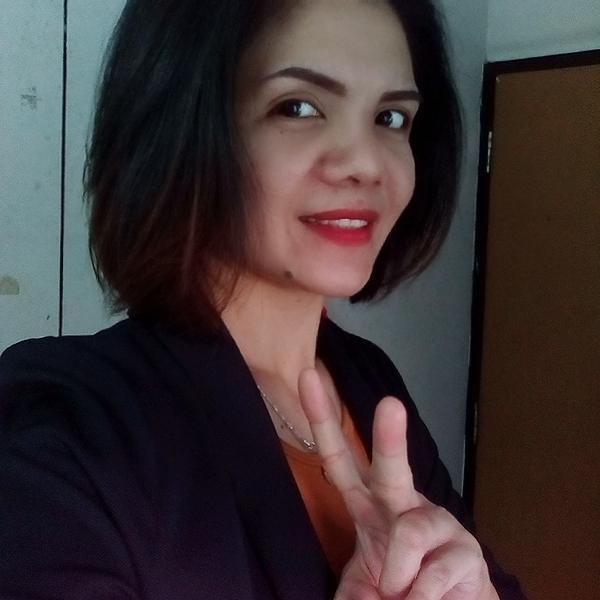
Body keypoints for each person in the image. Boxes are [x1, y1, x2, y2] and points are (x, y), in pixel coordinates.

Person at [0, 0, 526, 598]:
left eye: (391, 118)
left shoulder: (371, 382)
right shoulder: (71, 422)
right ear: (183, 128)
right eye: (298, 107)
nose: (366, 162)